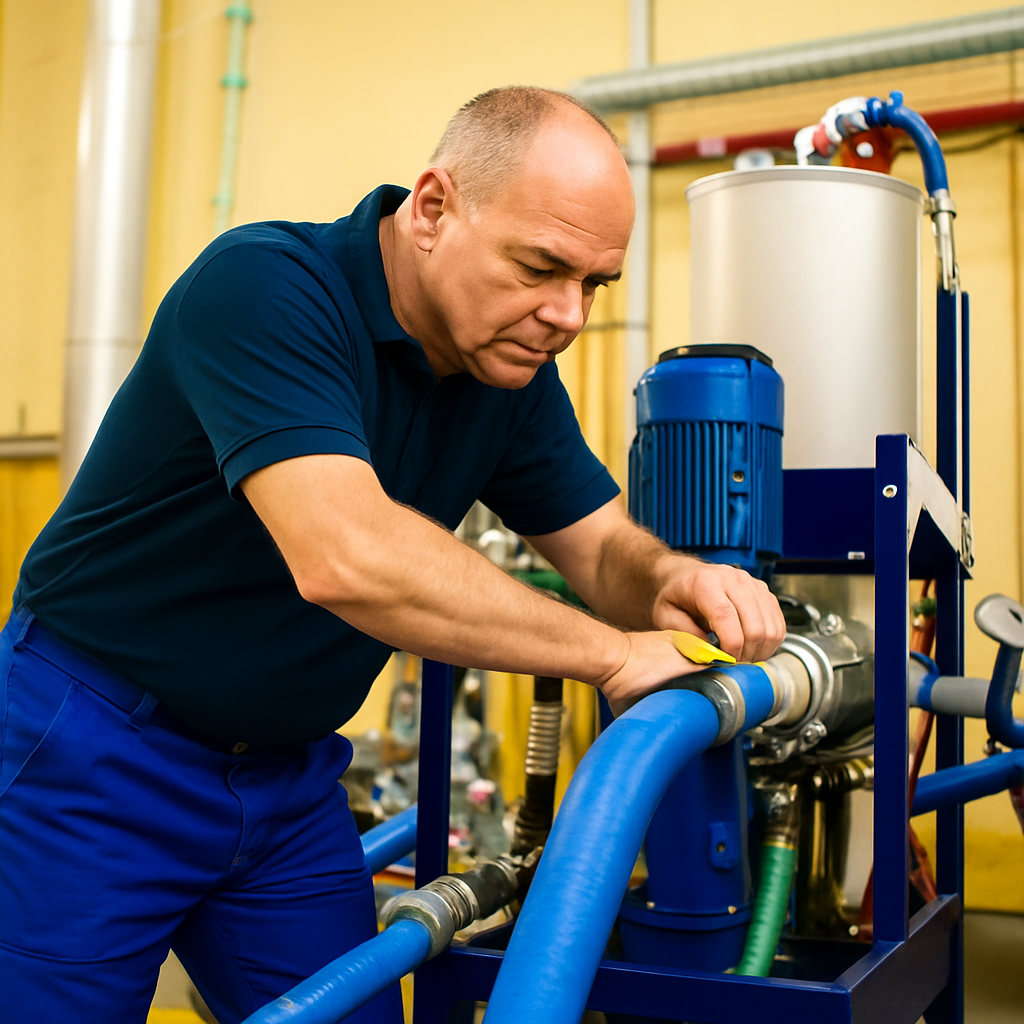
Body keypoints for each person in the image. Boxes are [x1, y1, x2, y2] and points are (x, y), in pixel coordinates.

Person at [0, 86, 785, 1023]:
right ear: (433, 208)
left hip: (286, 781)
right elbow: (347, 556)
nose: (568, 315)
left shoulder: (508, 372)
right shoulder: (263, 287)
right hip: (93, 752)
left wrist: (672, 578)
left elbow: (604, 545)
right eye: (541, 267)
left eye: (594, 285)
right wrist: (613, 655)